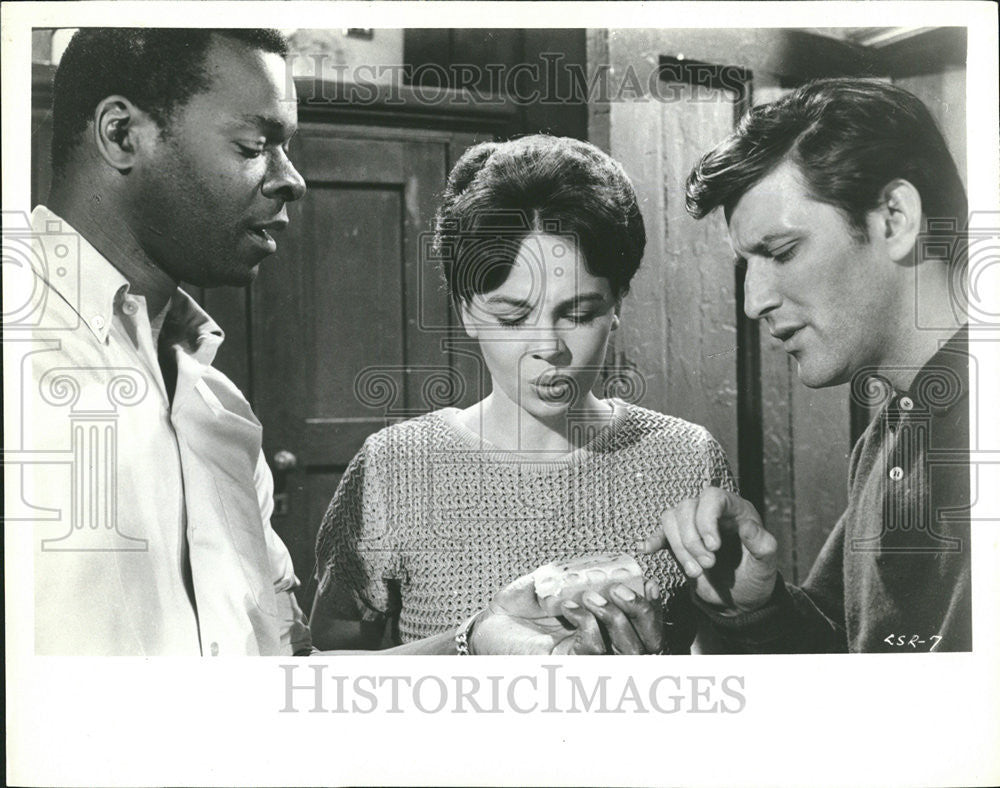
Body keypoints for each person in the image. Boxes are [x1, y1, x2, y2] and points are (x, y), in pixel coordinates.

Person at [13, 28, 657, 657]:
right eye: (252, 145)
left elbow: (294, 682)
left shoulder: (217, 411)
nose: (292, 179)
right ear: (122, 133)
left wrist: (476, 638)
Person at [310, 135, 736, 655]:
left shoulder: (686, 459)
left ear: (618, 301)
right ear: (466, 309)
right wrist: (472, 645)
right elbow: (325, 671)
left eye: (578, 313)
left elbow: (732, 669)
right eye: (512, 316)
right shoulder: (395, 468)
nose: (548, 348)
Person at [644, 78, 970, 653]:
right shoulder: (887, 438)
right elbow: (852, 661)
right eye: (747, 265)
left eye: (782, 251)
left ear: (895, 218)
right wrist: (757, 605)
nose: (753, 301)